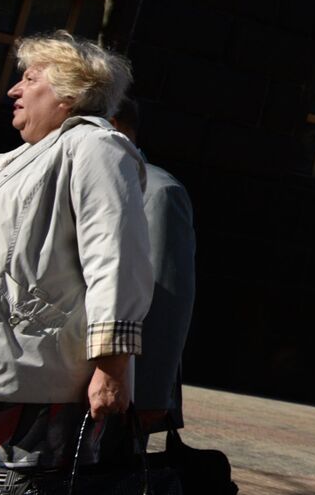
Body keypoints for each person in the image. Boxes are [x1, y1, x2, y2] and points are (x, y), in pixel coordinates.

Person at [0, 32, 153, 493]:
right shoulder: (7, 164)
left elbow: (115, 257)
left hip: (37, 383)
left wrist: (113, 366)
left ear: (68, 94)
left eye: (29, 79)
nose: (13, 90)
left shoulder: (96, 147)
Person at [110, 97, 197, 438]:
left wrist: (147, 396)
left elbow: (166, 303)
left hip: (116, 394)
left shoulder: (157, 193)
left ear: (112, 125)